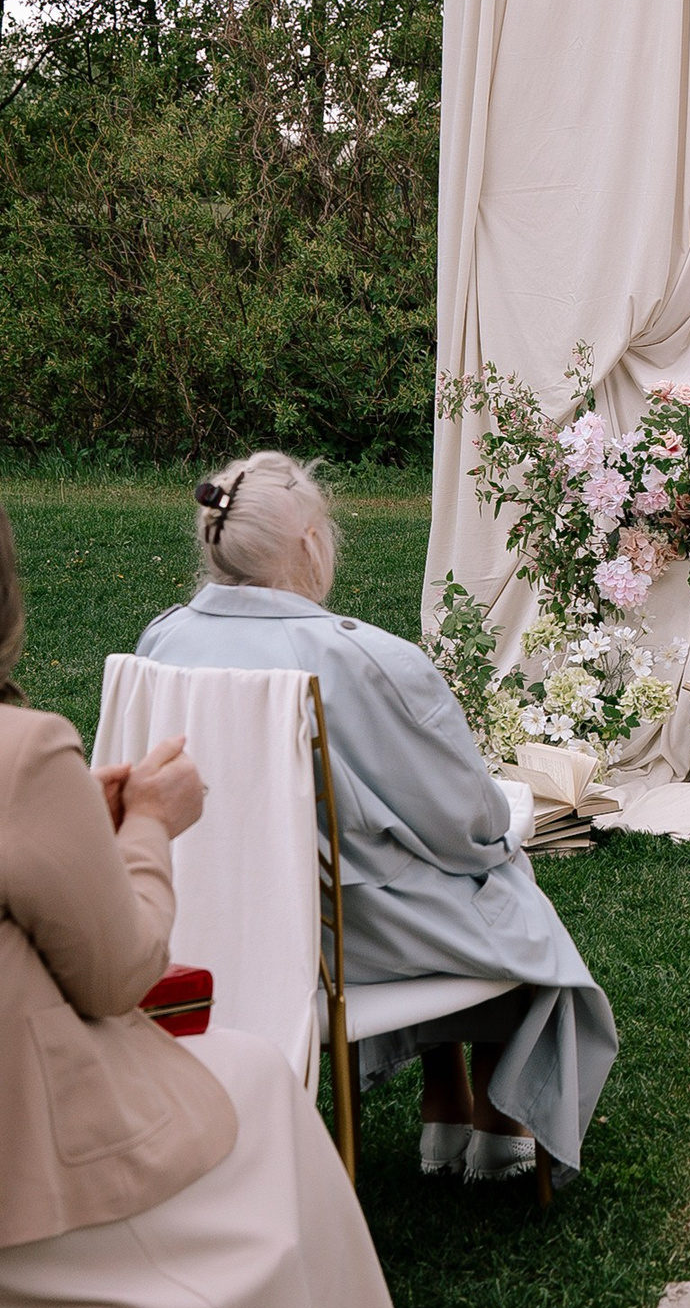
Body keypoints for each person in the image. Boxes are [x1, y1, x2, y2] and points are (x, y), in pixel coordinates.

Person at [0, 500, 398, 1308]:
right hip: (32, 1158)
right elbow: (121, 971)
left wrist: (71, 827)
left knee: (252, 1081)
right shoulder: (19, 755)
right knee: (260, 1081)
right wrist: (148, 826)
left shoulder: (147, 658)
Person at [136, 452, 616, 1183]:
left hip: (208, 925)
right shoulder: (365, 660)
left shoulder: (161, 642)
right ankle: (495, 1119)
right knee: (495, 873)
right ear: (310, 543)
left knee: (427, 868)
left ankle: (445, 1098)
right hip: (343, 939)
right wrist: (504, 823)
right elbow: (467, 822)